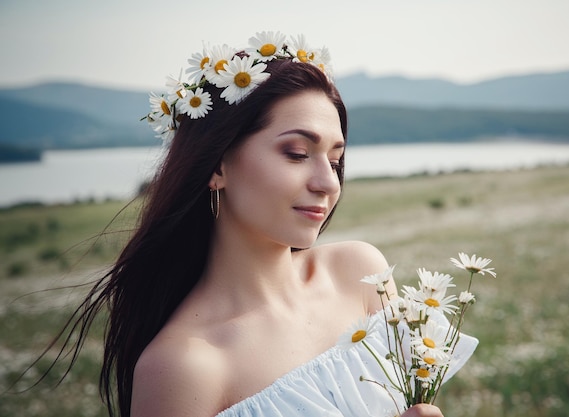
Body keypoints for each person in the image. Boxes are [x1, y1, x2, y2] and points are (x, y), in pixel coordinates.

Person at [36, 31, 449, 417]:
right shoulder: (184, 367)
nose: (328, 183)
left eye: (335, 160)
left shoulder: (361, 276)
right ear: (217, 165)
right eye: (296, 153)